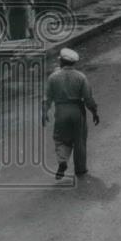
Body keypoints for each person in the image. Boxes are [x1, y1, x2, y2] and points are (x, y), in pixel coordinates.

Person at [43, 47, 99, 180]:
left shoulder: (53, 77)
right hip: (77, 110)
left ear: (61, 62)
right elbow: (88, 98)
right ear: (73, 63)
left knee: (61, 138)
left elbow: (47, 97)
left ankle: (62, 161)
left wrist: (44, 112)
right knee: (79, 140)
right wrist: (94, 112)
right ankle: (80, 169)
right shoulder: (81, 77)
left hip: (61, 111)